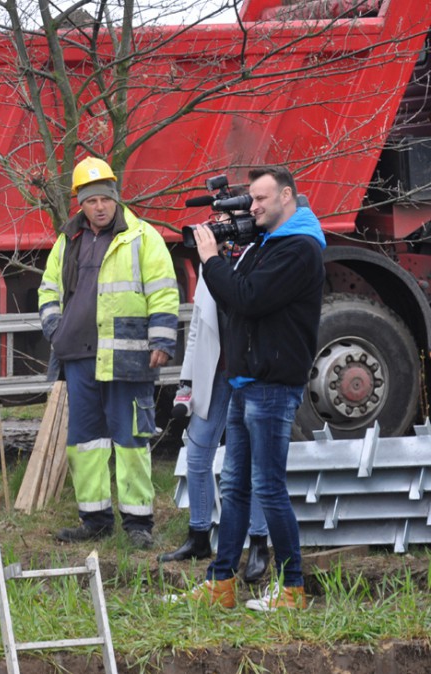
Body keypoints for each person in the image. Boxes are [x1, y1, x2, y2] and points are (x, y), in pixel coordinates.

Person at [171, 166, 325, 610]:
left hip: (272, 386)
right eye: (251, 200)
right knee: (235, 483)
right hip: (246, 382)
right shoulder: (267, 244)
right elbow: (237, 296)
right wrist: (223, 258)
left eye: (261, 199)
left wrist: (212, 260)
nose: (253, 207)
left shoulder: (298, 249)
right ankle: (222, 583)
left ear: (287, 197)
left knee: (268, 486)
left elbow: (247, 297)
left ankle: (292, 587)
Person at [38, 157, 179, 549]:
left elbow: (164, 291)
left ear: (115, 198)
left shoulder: (142, 236)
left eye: (105, 198)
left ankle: (138, 523)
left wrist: (162, 341)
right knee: (85, 441)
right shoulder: (68, 241)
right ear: (80, 205)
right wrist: (55, 328)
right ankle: (95, 519)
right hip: (79, 355)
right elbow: (48, 289)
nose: (99, 206)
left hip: (128, 357)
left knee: (131, 439)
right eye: (90, 200)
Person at [158, 250, 270, 584]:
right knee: (196, 452)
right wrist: (187, 381)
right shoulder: (211, 265)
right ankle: (199, 537)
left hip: (249, 373)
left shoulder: (259, 258)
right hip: (216, 372)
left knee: (251, 463)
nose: (218, 227)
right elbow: (196, 329)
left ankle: (259, 544)